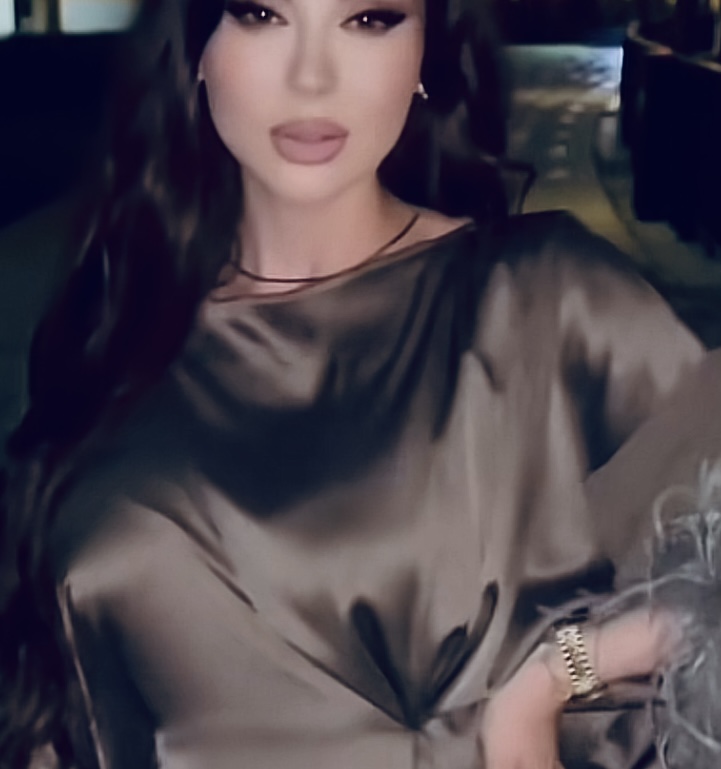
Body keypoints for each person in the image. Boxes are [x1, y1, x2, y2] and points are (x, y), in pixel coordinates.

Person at [0, 0, 714, 767]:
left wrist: (549, 679)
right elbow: (54, 691)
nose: (311, 77)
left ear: (425, 56)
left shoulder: (544, 299)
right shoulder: (113, 331)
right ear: (196, 46)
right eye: (260, 13)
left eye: (369, 19)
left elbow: (705, 584)